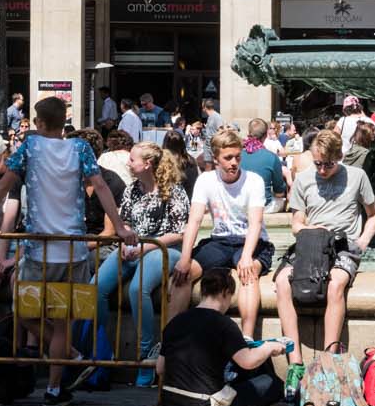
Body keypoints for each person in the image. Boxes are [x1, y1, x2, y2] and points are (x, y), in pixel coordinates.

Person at [0, 96, 131, 406]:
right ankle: (58, 383)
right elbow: (101, 187)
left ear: (40, 123)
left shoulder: (28, 148)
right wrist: (121, 226)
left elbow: (2, 189)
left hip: (38, 249)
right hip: (73, 249)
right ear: (62, 122)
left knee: (24, 312)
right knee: (61, 323)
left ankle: (64, 372)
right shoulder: (80, 149)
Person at [274, 126, 375, 353]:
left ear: (339, 157)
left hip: (344, 246)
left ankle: (329, 356)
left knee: (335, 285)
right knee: (282, 281)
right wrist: (308, 228)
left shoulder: (357, 176)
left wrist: (361, 242)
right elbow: (295, 224)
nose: (322, 170)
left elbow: (374, 215)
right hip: (311, 241)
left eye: (328, 164)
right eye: (317, 164)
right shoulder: (303, 180)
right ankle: (294, 360)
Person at [95, 142, 189, 381]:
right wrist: (127, 239)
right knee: (95, 288)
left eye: (133, 159)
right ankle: (98, 349)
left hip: (163, 248)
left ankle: (146, 353)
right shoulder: (132, 189)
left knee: (138, 289)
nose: (128, 162)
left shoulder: (173, 190)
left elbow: (179, 232)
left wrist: (143, 247)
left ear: (147, 164)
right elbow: (125, 221)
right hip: (133, 248)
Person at [169, 126, 272, 338]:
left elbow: (255, 222)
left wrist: (245, 257)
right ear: (216, 159)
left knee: (248, 273)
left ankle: (247, 338)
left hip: (251, 241)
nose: (234, 162)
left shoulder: (254, 181)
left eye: (237, 157)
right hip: (220, 241)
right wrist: (185, 258)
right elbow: (194, 220)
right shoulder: (206, 180)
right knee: (181, 275)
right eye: (228, 158)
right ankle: (170, 337)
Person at [154, 267, 288, 406]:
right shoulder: (223, 324)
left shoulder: (175, 322)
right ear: (225, 292)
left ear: (203, 291)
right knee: (272, 384)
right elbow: (248, 362)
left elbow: (160, 368)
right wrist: (269, 347)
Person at [238, 121, 288, 208]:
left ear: (248, 133)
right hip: (263, 205)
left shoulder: (236, 155)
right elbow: (279, 192)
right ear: (265, 135)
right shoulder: (272, 157)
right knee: (281, 199)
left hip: (241, 203)